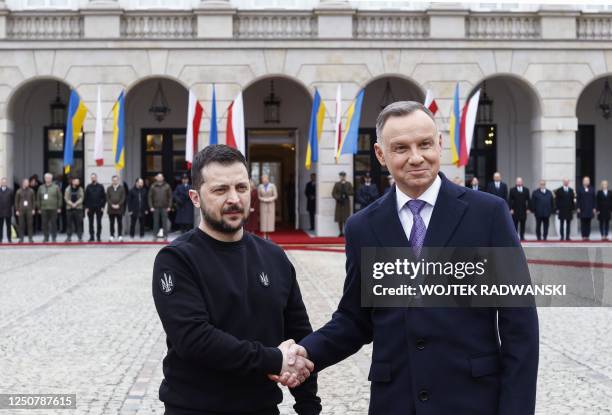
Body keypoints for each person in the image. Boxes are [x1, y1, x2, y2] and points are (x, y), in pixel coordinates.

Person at [278, 101, 539, 414]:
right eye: (400, 148)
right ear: (380, 155)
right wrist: (307, 352)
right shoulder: (362, 227)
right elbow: (354, 319)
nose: (416, 158)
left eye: (425, 144)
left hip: (473, 400)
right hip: (396, 401)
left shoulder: (488, 215)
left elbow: (519, 327)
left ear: (440, 144)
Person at [152, 144, 321, 415]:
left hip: (263, 407)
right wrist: (274, 360)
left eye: (241, 188)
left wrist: (308, 405)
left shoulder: (274, 256)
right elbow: (194, 339)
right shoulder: (176, 260)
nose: (234, 199)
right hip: (194, 408)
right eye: (220, 190)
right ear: (195, 197)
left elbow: (299, 335)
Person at [36, 172, 62, 243]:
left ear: (51, 179)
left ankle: (54, 237)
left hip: (53, 208)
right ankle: (46, 237)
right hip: (44, 208)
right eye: (46, 178)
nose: (47, 179)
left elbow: (59, 197)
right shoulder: (41, 187)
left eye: (49, 178)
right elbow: (38, 198)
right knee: (44, 224)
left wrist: (59, 207)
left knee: (54, 224)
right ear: (44, 179)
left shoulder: (56, 187)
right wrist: (39, 208)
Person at [149, 173, 172, 241]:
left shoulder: (167, 186)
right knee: (155, 223)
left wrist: (169, 206)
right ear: (156, 178)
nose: (159, 178)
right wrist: (151, 206)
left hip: (165, 207)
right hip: (155, 207)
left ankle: (165, 236)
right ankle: (155, 236)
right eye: (158, 177)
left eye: (161, 177)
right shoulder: (153, 186)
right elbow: (150, 197)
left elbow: (170, 197)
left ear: (163, 178)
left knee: (164, 223)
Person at [84, 173, 106, 242]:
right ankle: (92, 237)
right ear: (91, 179)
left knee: (99, 223)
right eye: (92, 177)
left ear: (96, 178)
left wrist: (103, 206)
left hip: (99, 207)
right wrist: (86, 207)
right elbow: (86, 198)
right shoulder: (88, 187)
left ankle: (98, 237)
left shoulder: (101, 186)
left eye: (94, 177)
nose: (93, 178)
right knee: (91, 223)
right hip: (90, 207)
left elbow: (104, 197)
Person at [332, 171, 353, 237]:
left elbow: (352, 192)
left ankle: (346, 232)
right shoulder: (337, 184)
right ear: (340, 176)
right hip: (339, 203)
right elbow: (333, 193)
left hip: (346, 202)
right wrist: (338, 197)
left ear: (345, 176)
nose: (342, 177)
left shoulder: (348, 184)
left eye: (343, 176)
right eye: (341, 176)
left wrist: (346, 193)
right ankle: (340, 232)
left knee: (346, 218)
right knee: (339, 218)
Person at [64, 177, 84, 242]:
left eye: (78, 182)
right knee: (69, 224)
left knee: (79, 224)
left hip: (78, 209)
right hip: (69, 209)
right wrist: (71, 204)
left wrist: (76, 204)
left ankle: (80, 237)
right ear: (73, 182)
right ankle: (68, 237)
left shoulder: (80, 189)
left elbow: (82, 197)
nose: (78, 183)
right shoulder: (68, 189)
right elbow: (66, 198)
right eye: (76, 181)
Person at [576, 176, 596, 241]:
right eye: (585, 180)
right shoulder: (580, 189)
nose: (586, 182)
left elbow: (594, 199)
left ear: (589, 182)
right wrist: (578, 207)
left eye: (588, 180)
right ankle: (583, 236)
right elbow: (578, 199)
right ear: (583, 181)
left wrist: (594, 208)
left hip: (590, 208)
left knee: (588, 222)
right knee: (583, 222)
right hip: (582, 208)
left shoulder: (592, 189)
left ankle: (587, 236)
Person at [106, 175, 126, 242]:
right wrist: (112, 204)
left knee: (119, 223)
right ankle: (112, 236)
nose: (115, 181)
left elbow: (123, 198)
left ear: (118, 180)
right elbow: (107, 198)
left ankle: (120, 236)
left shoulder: (122, 188)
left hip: (119, 209)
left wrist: (118, 205)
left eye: (116, 180)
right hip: (111, 209)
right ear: (112, 181)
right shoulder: (109, 188)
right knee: (111, 223)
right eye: (113, 180)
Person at [258, 174, 277, 240]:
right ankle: (264, 234)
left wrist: (269, 199)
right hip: (263, 204)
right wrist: (263, 199)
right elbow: (259, 196)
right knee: (263, 219)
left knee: (269, 219)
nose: (263, 180)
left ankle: (268, 234)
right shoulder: (260, 186)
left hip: (271, 204)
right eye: (262, 179)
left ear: (267, 179)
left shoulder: (272, 186)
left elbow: (275, 195)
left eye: (265, 178)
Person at [15, 178, 35, 243]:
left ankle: (30, 238)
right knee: (21, 224)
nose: (27, 184)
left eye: (28, 183)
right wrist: (17, 210)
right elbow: (16, 201)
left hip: (29, 209)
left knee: (30, 224)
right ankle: (21, 238)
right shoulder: (18, 191)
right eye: (26, 183)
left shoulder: (31, 191)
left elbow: (34, 201)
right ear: (23, 183)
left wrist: (33, 209)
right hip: (21, 210)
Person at [0, 177, 13, 243]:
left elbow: (12, 201)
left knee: (8, 226)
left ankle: (9, 239)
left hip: (8, 211)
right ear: (1, 183)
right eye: (2, 182)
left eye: (5, 182)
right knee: (0, 227)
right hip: (0, 212)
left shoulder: (10, 191)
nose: (3, 183)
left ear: (6, 183)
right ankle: (0, 239)